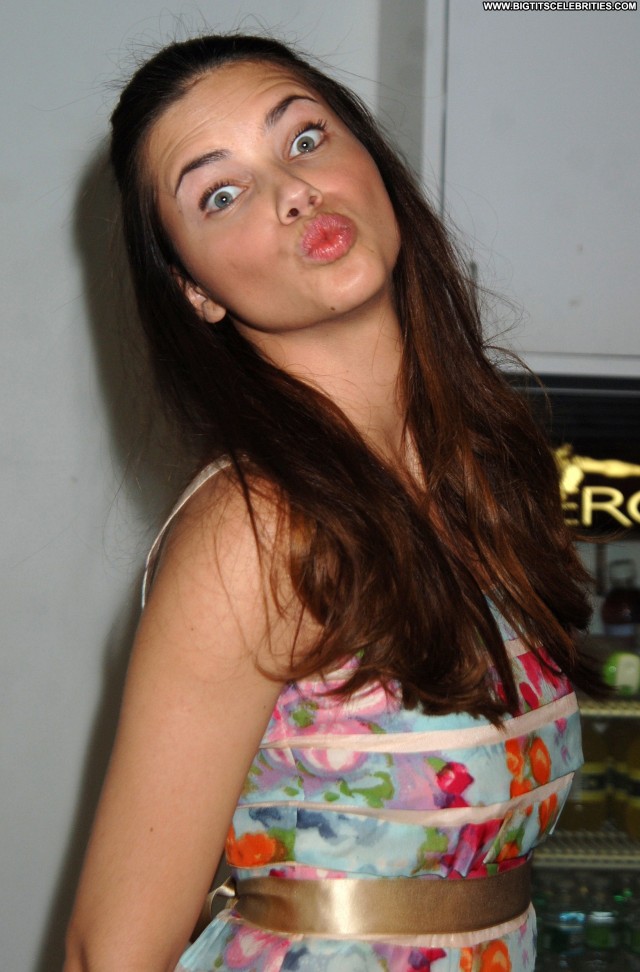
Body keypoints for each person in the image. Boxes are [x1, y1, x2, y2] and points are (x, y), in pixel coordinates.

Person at [64, 34, 601, 972]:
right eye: (220, 193)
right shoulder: (256, 533)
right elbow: (110, 951)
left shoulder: (485, 474)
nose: (292, 191)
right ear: (194, 290)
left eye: (305, 139)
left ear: (370, 160)